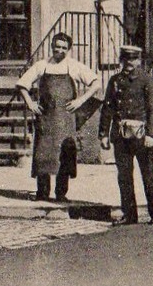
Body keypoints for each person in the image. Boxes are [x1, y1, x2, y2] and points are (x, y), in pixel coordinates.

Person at [16, 31, 101, 202]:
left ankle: (61, 193)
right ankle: (42, 193)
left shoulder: (74, 66)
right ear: (52, 47)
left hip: (66, 119)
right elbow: (22, 84)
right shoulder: (41, 65)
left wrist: (81, 100)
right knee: (43, 155)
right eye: (57, 47)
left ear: (68, 49)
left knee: (65, 156)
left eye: (63, 48)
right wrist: (31, 104)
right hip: (46, 118)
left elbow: (96, 83)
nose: (60, 51)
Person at [99, 44, 153, 225]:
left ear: (139, 60)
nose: (129, 63)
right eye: (125, 59)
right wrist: (104, 133)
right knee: (124, 176)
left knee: (149, 174)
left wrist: (152, 134)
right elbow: (108, 108)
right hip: (121, 136)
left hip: (142, 136)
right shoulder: (114, 81)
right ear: (121, 60)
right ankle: (129, 214)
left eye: (133, 59)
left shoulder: (146, 80)